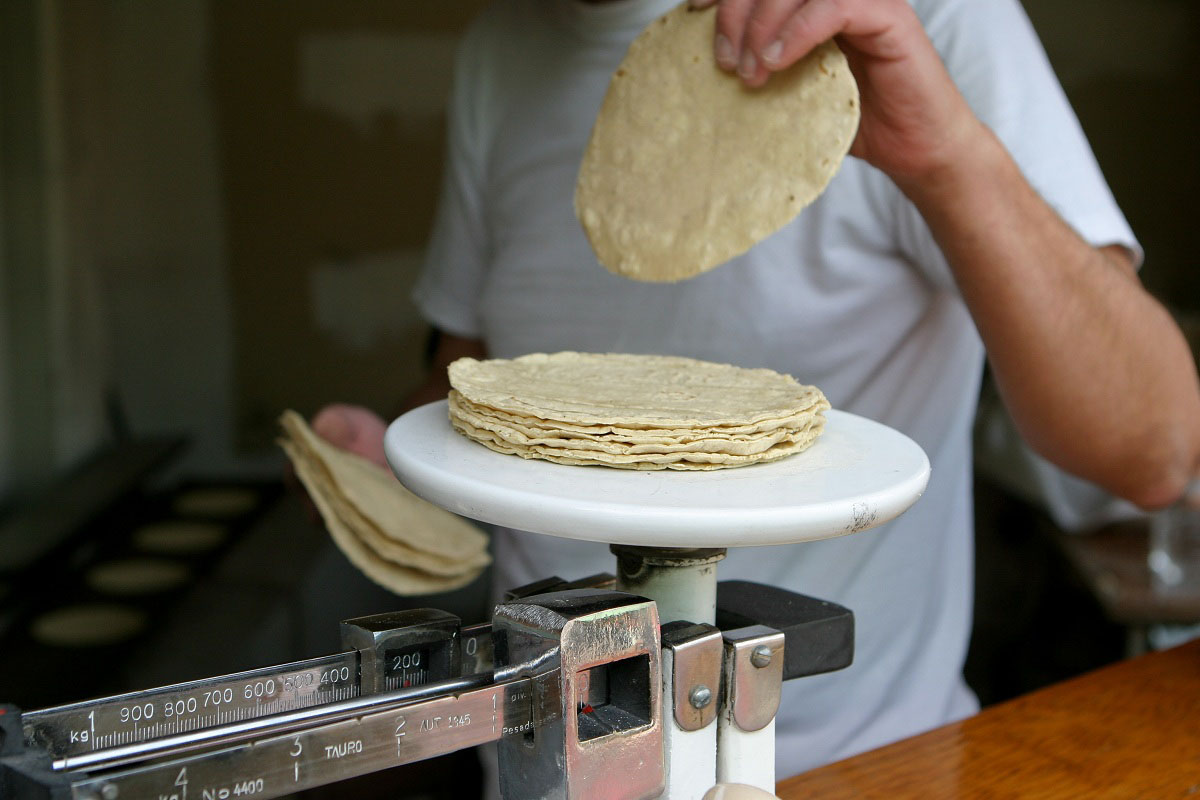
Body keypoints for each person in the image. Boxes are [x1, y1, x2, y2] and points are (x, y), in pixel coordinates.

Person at [311, 0, 1200, 789]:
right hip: (546, 763)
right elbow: (483, 383)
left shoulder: (929, 18)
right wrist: (383, 463)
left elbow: (1152, 448)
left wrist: (945, 155)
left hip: (862, 765)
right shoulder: (504, 46)